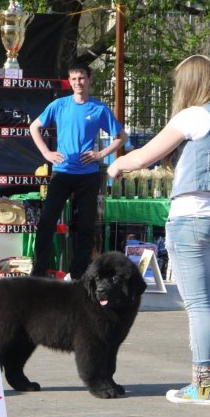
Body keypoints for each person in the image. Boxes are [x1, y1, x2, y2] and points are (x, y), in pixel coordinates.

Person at [107, 54, 210, 406]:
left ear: (190, 83)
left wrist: (116, 166)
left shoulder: (194, 115)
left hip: (191, 216)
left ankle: (201, 389)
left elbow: (144, 156)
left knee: (199, 305)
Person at [29, 65, 126, 280]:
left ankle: (77, 274)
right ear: (69, 81)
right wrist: (46, 152)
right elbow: (34, 127)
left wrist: (101, 154)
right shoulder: (59, 105)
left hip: (87, 175)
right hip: (62, 172)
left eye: (81, 78)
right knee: (46, 222)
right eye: (73, 79)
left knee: (85, 226)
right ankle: (38, 273)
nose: (77, 83)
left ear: (89, 79)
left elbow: (121, 136)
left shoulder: (98, 108)